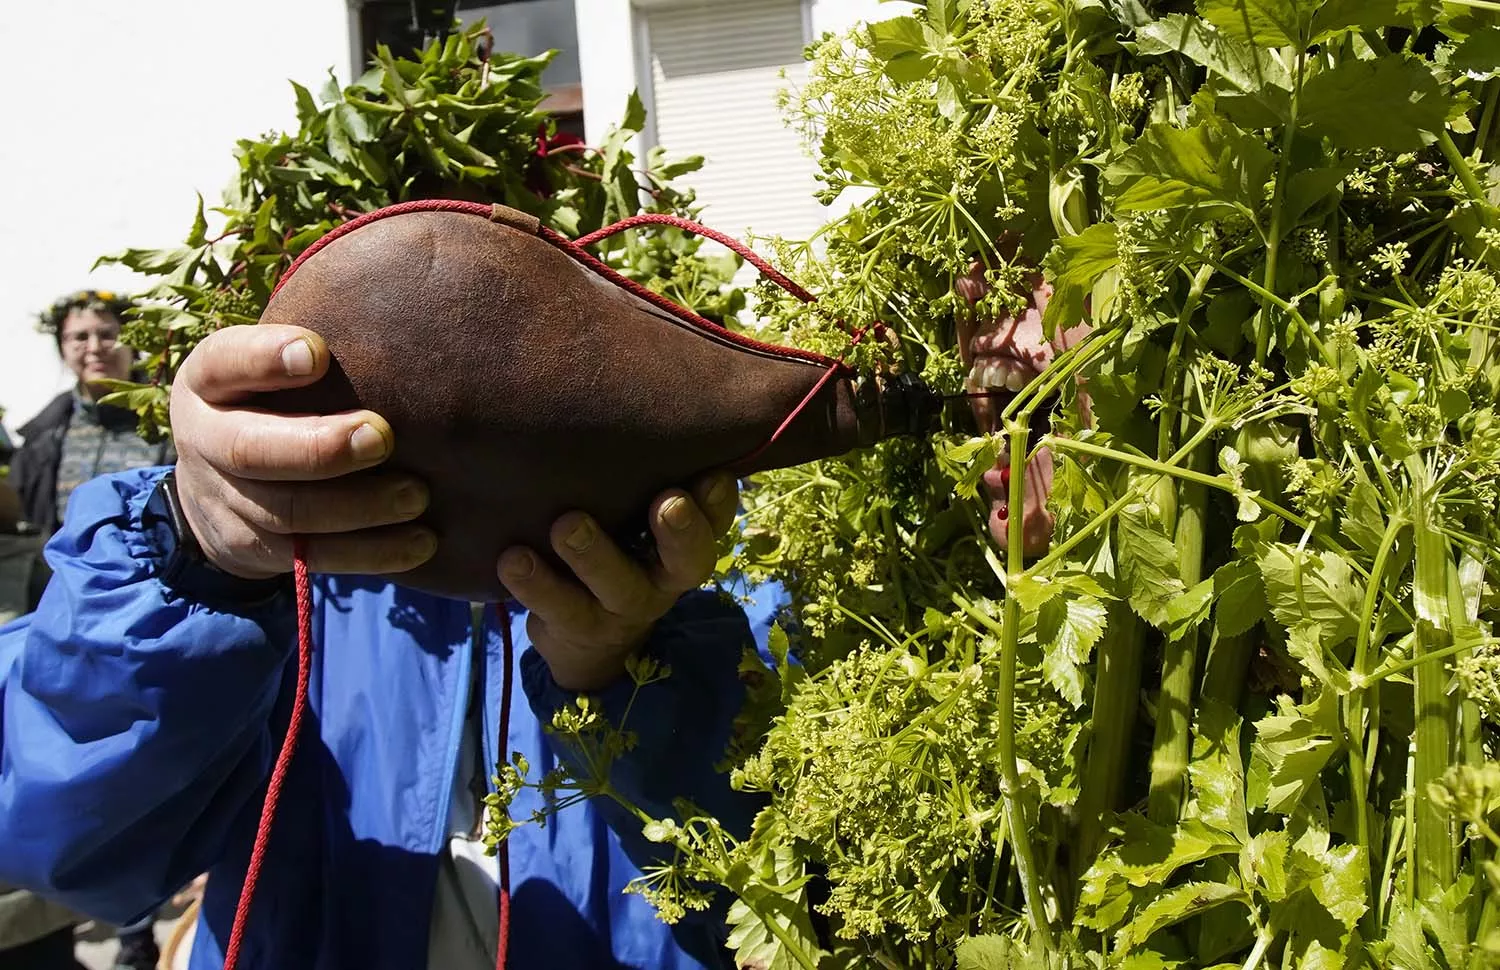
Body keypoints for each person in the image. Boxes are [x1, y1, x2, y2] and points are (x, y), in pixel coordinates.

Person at [0, 323, 770, 970]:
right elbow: (63, 842)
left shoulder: (719, 557)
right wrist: (198, 558)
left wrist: (630, 680)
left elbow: (787, 909)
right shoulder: (286, 572)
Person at [9, 290, 175, 618]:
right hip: (58, 600)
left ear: (132, 342)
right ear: (62, 347)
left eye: (108, 334)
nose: (95, 348)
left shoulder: (170, 422)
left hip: (150, 600)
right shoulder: (42, 436)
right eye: (79, 337)